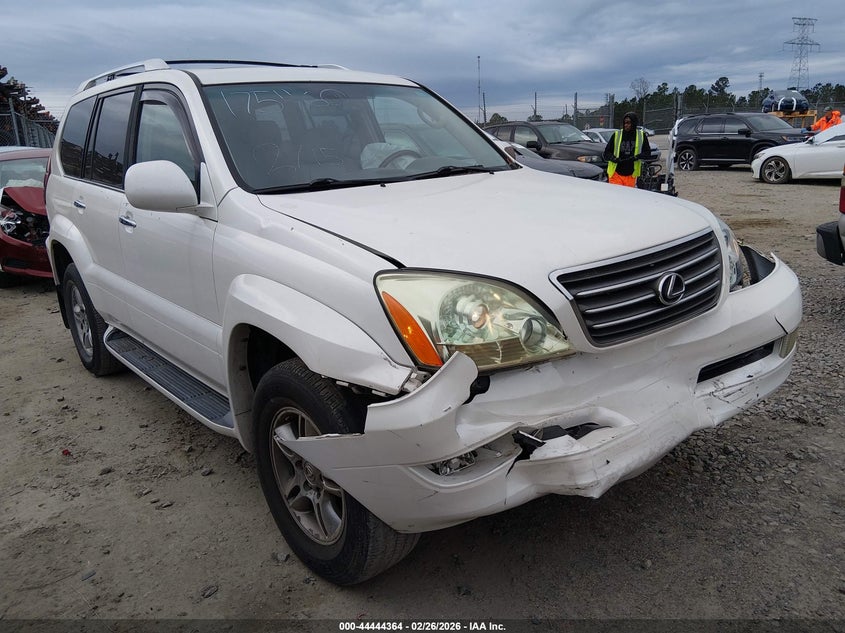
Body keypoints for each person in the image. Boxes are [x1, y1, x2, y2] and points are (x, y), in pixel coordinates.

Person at [603, 111, 652, 187]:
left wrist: (637, 157)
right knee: (616, 196)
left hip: (631, 174)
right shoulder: (617, 135)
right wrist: (614, 158)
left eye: (628, 123)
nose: (626, 125)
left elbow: (647, 153)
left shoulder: (641, 135)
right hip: (616, 173)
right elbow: (606, 153)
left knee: (627, 197)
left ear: (634, 123)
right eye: (625, 123)